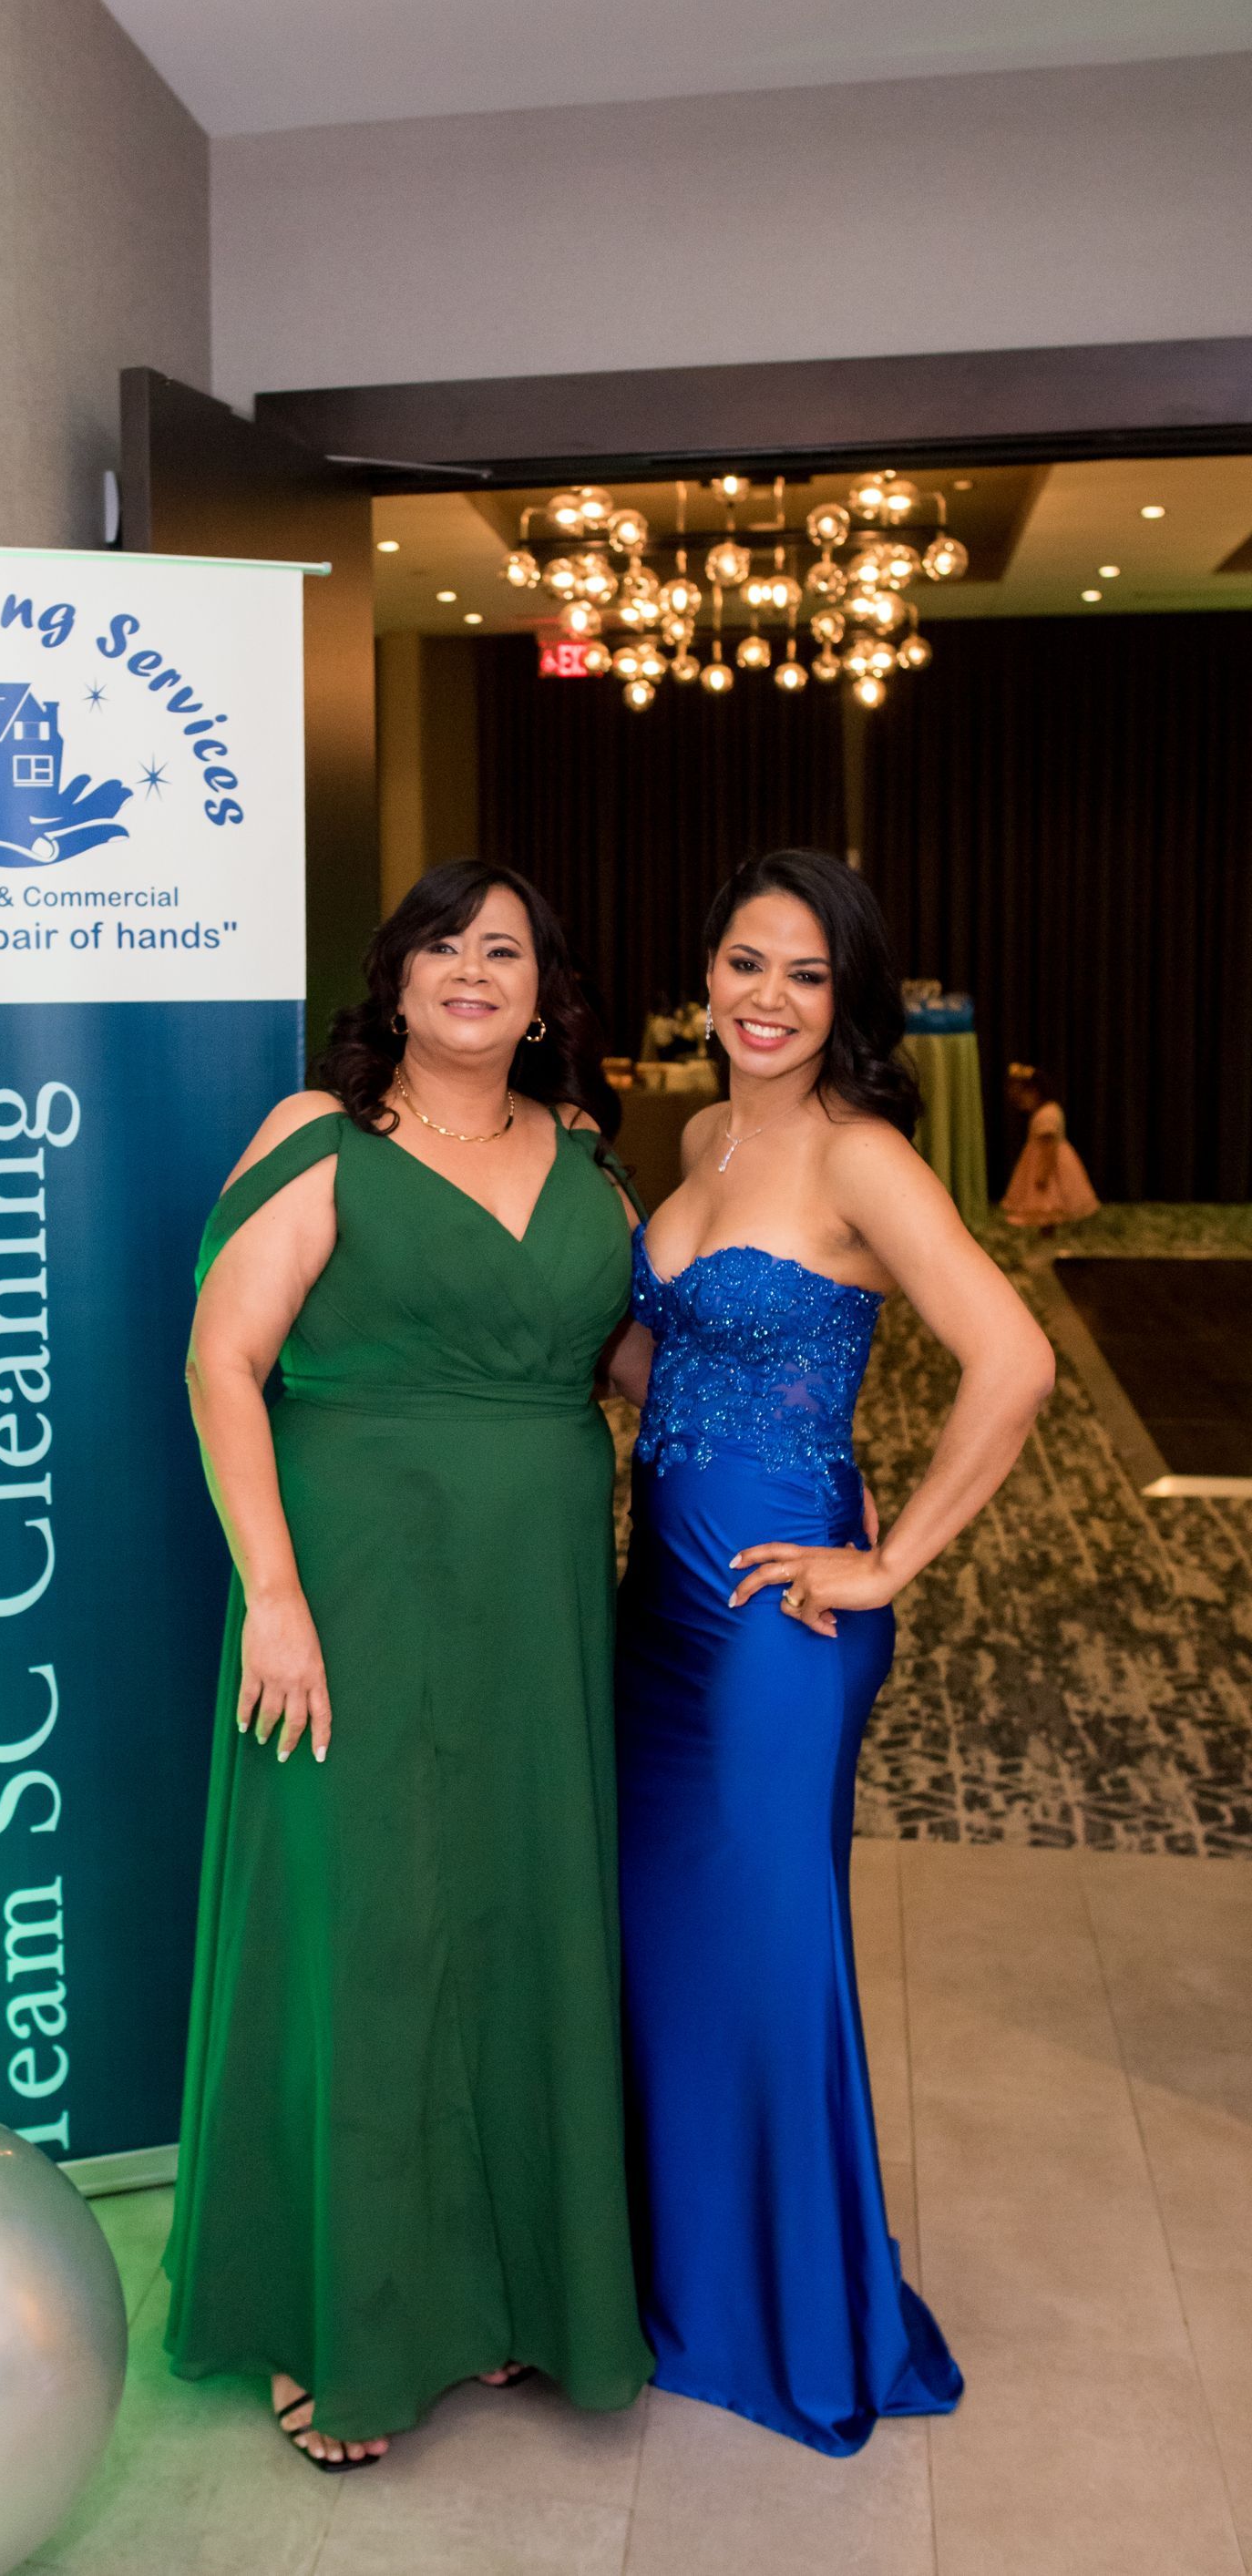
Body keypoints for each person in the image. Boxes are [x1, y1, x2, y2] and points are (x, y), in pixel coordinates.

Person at [165, 860, 652, 2468]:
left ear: (542, 990)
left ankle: (505, 2287)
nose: (471, 968)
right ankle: (331, 2319)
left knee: (515, 1912)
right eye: (443, 942)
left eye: (504, 947)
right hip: (352, 1586)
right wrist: (275, 1594)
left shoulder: (588, 1160)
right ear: (395, 978)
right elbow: (224, 1363)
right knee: (363, 1922)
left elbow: (648, 1362)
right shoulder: (319, 1138)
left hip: (537, 1606)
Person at [608, 848, 1054, 2457]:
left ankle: (796, 2317)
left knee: (771, 1955)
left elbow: (1014, 1359)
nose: (769, 997)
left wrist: (891, 1561)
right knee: (666, 1947)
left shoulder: (864, 1158)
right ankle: (686, 2285)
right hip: (658, 1599)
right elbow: (660, 1360)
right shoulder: (703, 1133)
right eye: (745, 963)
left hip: (778, 1623)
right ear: (707, 977)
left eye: (804, 973)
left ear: (846, 996)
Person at [1001, 1062, 1101, 1229]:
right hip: (1042, 1162)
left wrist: (1043, 1174)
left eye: (1023, 1096)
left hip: (1047, 1167)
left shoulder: (1046, 1115)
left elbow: (1049, 1150)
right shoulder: (1049, 1110)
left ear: (1036, 1093)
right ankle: (1046, 1232)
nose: (1020, 1102)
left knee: (1046, 1200)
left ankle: (1048, 1231)